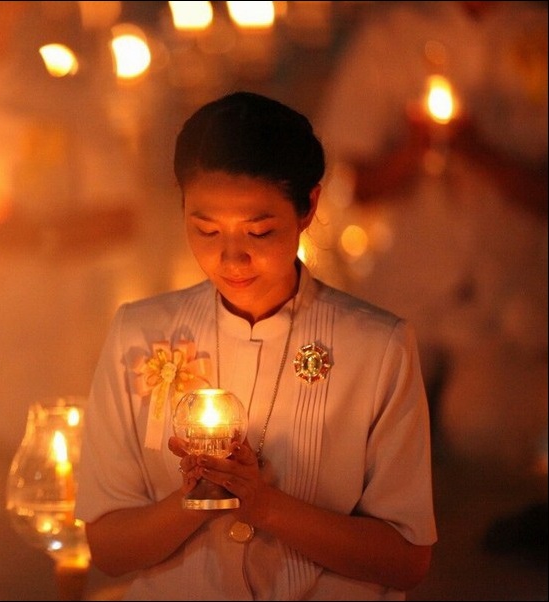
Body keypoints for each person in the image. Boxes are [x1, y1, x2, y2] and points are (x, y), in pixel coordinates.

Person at [75, 91, 437, 600]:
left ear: (308, 205)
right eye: (205, 229)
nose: (232, 258)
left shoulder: (376, 347)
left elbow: (405, 559)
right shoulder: (140, 333)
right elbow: (109, 548)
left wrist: (263, 505)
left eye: (259, 231)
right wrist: (195, 497)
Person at [311, 1, 548, 462]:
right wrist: (418, 148)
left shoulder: (537, 29)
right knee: (362, 426)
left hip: (515, 295)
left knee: (485, 431)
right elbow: (358, 183)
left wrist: (478, 152)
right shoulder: (394, 32)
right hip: (411, 283)